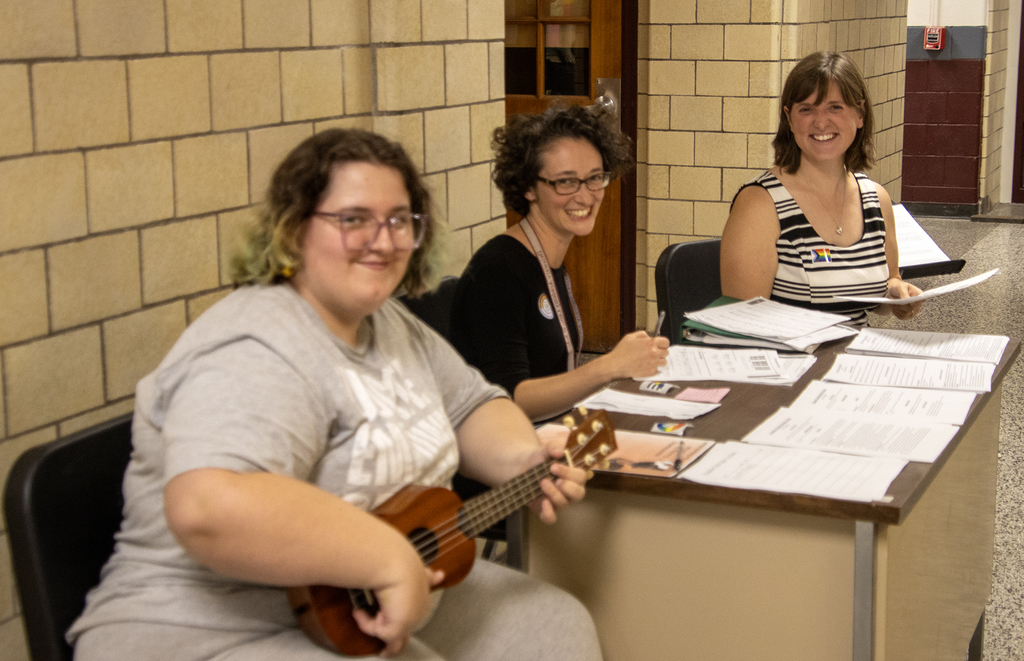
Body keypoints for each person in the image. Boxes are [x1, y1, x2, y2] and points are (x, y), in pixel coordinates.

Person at [68, 129, 601, 661]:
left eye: (399, 220)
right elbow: (207, 506)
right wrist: (384, 557)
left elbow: (472, 406)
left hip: (361, 600)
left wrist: (524, 459)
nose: (383, 240)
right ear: (294, 228)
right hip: (215, 628)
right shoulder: (254, 344)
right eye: (353, 219)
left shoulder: (388, 323)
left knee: (552, 626)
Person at [450, 105, 669, 423]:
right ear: (528, 187)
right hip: (505, 449)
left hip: (550, 433)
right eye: (566, 182)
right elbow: (509, 400)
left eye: (595, 178)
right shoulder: (498, 273)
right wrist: (609, 366)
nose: (586, 196)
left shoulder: (549, 260)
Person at [720, 51, 924, 325]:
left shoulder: (876, 199)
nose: (820, 122)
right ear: (789, 118)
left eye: (835, 107)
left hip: (860, 350)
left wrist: (896, 294)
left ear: (860, 114)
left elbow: (885, 286)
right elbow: (743, 325)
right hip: (789, 352)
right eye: (806, 109)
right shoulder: (760, 203)